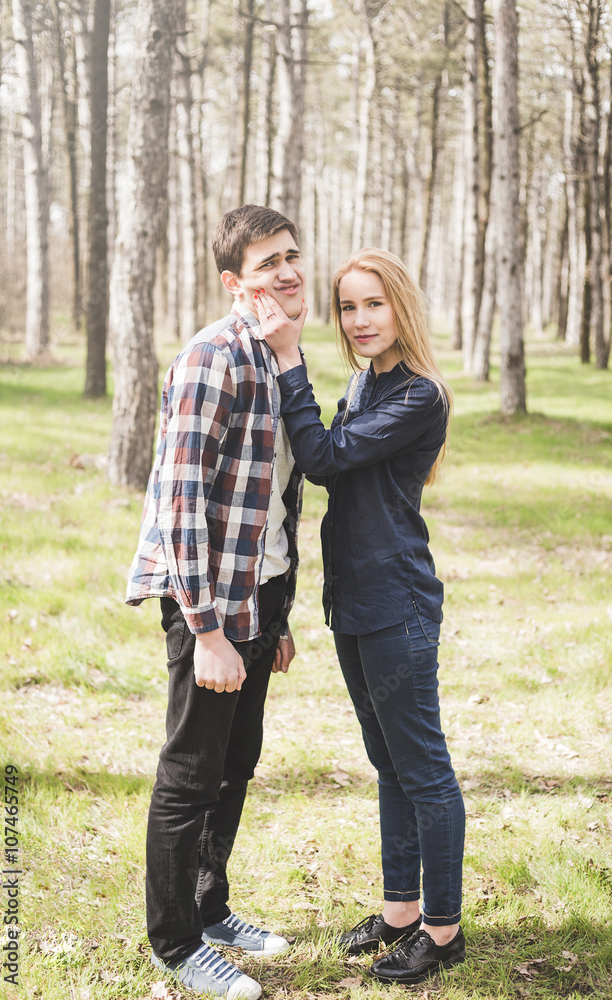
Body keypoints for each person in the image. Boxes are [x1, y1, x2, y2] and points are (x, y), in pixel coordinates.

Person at [256, 247, 466, 985]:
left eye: (373, 303)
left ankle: (442, 930)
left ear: (400, 306)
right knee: (388, 764)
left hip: (395, 603)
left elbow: (321, 457)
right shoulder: (365, 381)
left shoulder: (421, 396)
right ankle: (400, 911)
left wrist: (289, 361)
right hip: (352, 602)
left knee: (423, 769)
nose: (359, 319)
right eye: (348, 306)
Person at [125, 204, 308, 999]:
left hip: (259, 597)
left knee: (235, 764)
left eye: (291, 255)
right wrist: (206, 630)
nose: (287, 272)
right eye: (268, 263)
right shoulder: (214, 356)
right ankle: (174, 944)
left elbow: (274, 497)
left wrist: (277, 617)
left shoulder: (278, 354)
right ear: (235, 282)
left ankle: (209, 909)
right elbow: (180, 504)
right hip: (208, 603)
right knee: (191, 772)